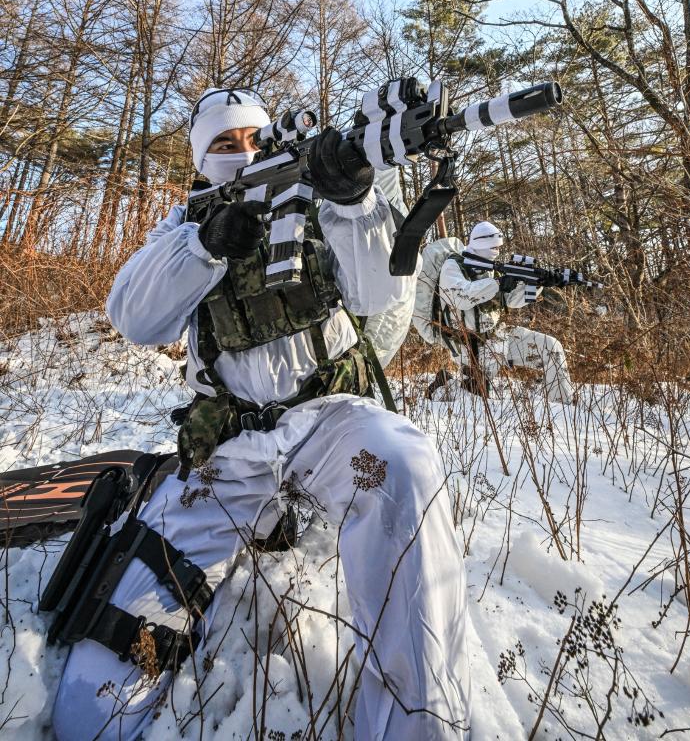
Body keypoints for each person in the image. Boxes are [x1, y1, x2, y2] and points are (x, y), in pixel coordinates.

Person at [51, 88, 471, 741]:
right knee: (95, 685)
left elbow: (380, 290)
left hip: (333, 421)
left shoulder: (316, 199)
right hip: (229, 449)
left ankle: (414, 726)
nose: (242, 153)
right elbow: (132, 316)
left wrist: (352, 198)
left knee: (404, 466)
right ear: (200, 160)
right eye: (223, 144)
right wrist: (205, 246)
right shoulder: (183, 223)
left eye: (253, 138)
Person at [430, 221, 574, 405]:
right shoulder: (453, 266)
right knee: (473, 400)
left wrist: (538, 283)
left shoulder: (491, 267)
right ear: (481, 243)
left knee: (551, 348)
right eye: (493, 247)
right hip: (470, 344)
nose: (497, 251)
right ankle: (443, 387)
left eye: (498, 247)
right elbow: (460, 297)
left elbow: (512, 301)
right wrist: (497, 284)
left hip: (500, 335)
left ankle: (564, 407)